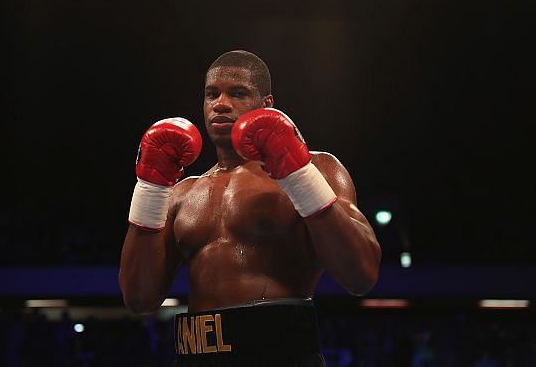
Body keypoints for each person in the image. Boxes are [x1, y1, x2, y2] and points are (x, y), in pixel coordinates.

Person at [119, 50, 381, 366]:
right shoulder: (181, 193)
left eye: (238, 93)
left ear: (267, 104)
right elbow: (139, 298)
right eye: (211, 94)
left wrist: (298, 175)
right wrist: (150, 187)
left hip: (280, 357)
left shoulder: (318, 169)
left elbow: (360, 274)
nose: (220, 103)